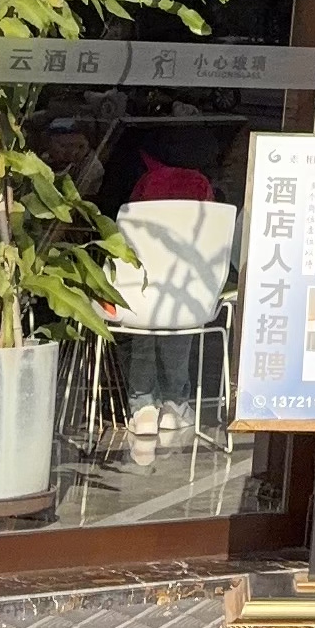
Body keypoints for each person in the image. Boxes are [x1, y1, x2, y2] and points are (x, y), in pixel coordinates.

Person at [116, 147, 222, 456]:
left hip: (139, 291)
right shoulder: (200, 184)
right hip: (188, 293)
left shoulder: (146, 181)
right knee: (182, 310)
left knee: (142, 314)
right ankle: (175, 404)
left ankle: (143, 408)